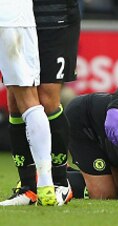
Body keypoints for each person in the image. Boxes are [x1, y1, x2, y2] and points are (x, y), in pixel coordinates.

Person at [0, 0, 81, 206]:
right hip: (22, 14)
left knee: (47, 98)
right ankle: (29, 188)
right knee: (15, 101)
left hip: (56, 18)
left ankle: (61, 183)